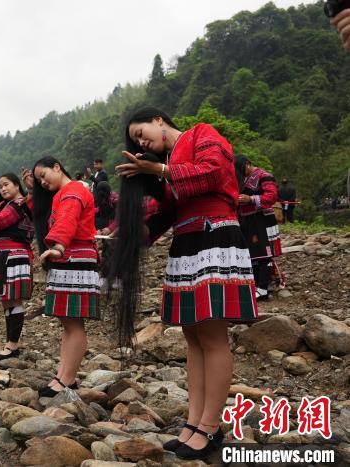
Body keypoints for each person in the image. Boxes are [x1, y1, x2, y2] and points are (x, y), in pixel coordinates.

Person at [114, 106, 257, 460]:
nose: (141, 140)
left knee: (211, 334)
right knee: (193, 336)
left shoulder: (201, 134)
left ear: (159, 120)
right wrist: (133, 234)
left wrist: (159, 169)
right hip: (189, 241)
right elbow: (169, 212)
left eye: (141, 131)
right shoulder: (168, 168)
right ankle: (194, 422)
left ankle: (209, 427)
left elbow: (213, 174)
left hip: (215, 235)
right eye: (135, 140)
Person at [23, 156, 100, 397]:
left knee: (73, 322)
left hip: (73, 256)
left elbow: (67, 219)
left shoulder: (74, 190)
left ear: (57, 167)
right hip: (70, 256)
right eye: (39, 181)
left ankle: (67, 379)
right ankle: (65, 375)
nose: (43, 183)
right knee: (68, 322)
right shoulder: (63, 193)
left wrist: (58, 246)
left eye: (43, 176)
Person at [0, 173, 34, 361]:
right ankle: (12, 342)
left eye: (6, 185)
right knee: (8, 301)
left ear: (16, 185)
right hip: (6, 255)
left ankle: (12, 345)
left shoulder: (18, 204)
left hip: (13, 255)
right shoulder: (12, 205)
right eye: (0, 186)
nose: (3, 189)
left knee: (13, 300)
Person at [235, 156, 282, 300]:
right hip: (246, 220)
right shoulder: (242, 179)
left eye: (240, 169)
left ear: (248, 164)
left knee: (264, 254)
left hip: (261, 219)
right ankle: (255, 286)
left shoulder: (265, 176)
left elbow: (271, 196)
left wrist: (250, 199)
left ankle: (263, 289)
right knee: (252, 255)